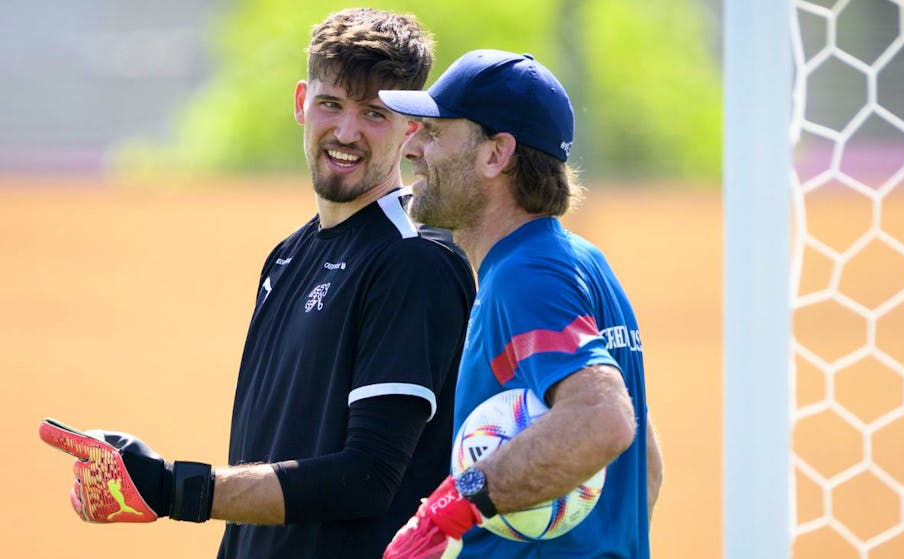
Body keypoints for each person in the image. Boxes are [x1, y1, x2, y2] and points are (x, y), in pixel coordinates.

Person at [38, 8, 476, 559]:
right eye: (331, 104)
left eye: (374, 113)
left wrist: (174, 488)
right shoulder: (288, 258)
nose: (347, 132)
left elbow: (367, 477)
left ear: (411, 126)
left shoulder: (414, 262)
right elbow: (264, 464)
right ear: (301, 102)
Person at [377, 49, 664, 559]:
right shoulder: (582, 261)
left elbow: (605, 420)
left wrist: (446, 511)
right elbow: (645, 464)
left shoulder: (525, 275)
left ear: (496, 154)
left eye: (435, 132)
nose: (413, 146)